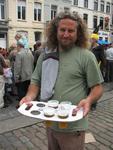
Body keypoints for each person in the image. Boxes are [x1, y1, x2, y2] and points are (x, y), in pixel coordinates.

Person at [20, 11, 103, 150]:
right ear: (55, 31)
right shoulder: (46, 55)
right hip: (50, 121)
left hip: (73, 125)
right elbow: (35, 82)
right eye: (62, 30)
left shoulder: (87, 56)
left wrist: (88, 101)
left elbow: (97, 87)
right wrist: (29, 97)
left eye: (71, 30)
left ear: (78, 33)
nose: (66, 34)